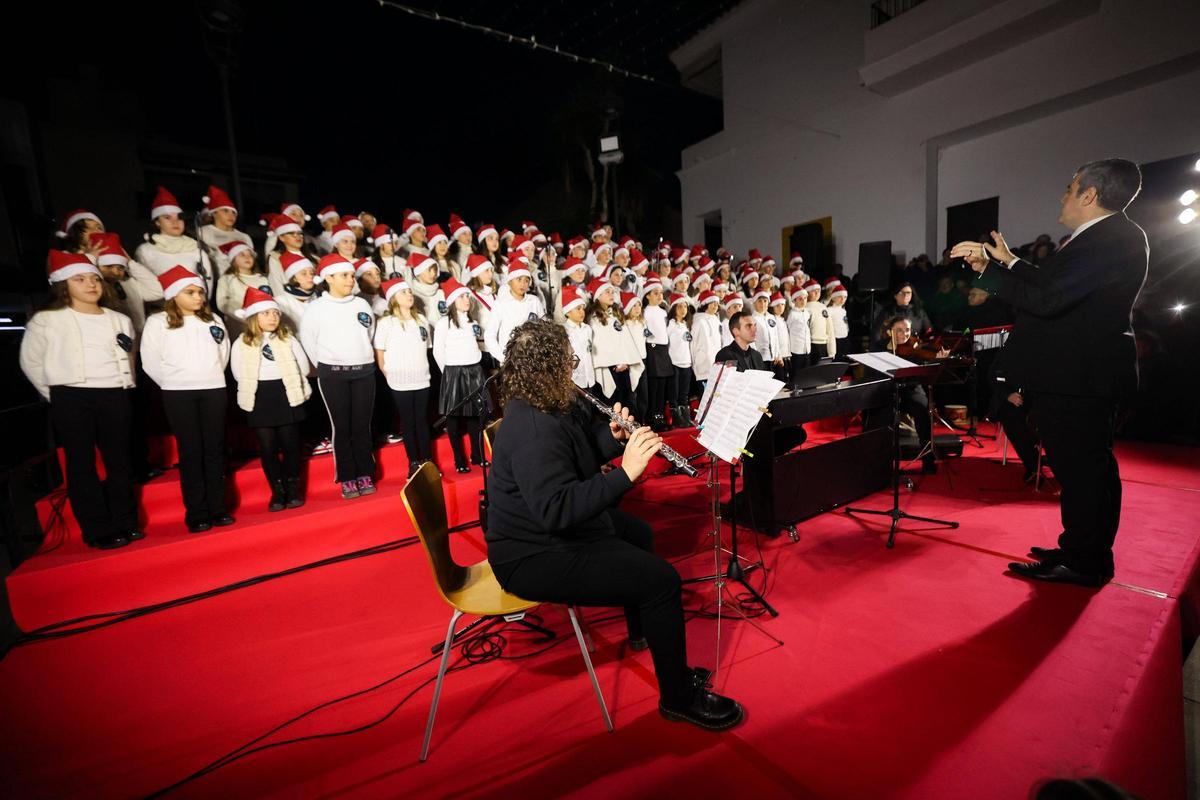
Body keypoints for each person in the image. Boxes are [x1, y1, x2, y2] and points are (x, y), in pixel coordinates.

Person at [485, 318, 744, 731]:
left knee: (639, 533)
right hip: (530, 554)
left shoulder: (546, 404)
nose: (573, 367)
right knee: (662, 582)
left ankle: (647, 634)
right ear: (552, 368)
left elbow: (574, 461)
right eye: (567, 361)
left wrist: (612, 437)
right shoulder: (534, 428)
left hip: (550, 533)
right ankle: (677, 698)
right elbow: (558, 509)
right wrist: (625, 473)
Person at [952, 158, 1148, 587]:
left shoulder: (1109, 240)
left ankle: (1085, 561)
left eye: (1070, 187)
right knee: (1079, 468)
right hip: (1077, 374)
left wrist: (989, 272)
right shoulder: (1107, 237)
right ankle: (1079, 547)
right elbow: (1058, 284)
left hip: (1083, 376)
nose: (1063, 195)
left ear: (1090, 195)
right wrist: (1011, 263)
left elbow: (1049, 300)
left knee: (1084, 471)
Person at [20, 251, 140, 550]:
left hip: (114, 393)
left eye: (94, 279)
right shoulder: (47, 320)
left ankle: (125, 521)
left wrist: (124, 384)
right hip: (71, 395)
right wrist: (58, 395)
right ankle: (97, 528)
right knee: (81, 464)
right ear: (63, 284)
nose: (90, 284)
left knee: (120, 460)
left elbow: (129, 357)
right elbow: (31, 362)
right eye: (80, 278)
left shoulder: (119, 319)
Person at [140, 265, 233, 532]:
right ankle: (197, 512)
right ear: (173, 295)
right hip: (178, 393)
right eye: (190, 292)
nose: (199, 297)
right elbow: (150, 361)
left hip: (213, 389)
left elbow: (222, 354)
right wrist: (174, 383)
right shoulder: (158, 322)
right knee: (191, 452)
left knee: (215, 450)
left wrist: (210, 377)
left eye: (201, 292)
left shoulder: (213, 321)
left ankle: (218, 508)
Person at [300, 254, 378, 500]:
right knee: (341, 427)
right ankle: (346, 476)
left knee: (362, 426)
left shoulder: (362, 305)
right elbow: (308, 341)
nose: (350, 279)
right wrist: (328, 365)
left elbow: (370, 333)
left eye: (351, 275)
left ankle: (365, 472)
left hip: (364, 372)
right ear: (328, 278)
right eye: (344, 275)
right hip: (333, 374)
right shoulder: (316, 308)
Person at [230, 288, 310, 512]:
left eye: (275, 313)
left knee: (291, 445)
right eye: (266, 314)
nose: (273, 317)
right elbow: (238, 373)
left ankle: (293, 488)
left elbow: (303, 367)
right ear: (254, 317)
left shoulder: (288, 339)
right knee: (268, 448)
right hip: (260, 397)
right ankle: (277, 490)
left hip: (285, 393)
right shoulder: (241, 343)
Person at [374, 277, 436, 479]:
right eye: (404, 292)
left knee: (422, 421)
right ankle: (414, 462)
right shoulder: (386, 323)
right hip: (399, 381)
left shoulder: (422, 321)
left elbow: (426, 349)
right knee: (408, 423)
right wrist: (388, 374)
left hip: (422, 379)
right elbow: (380, 352)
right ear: (393, 298)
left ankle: (428, 460)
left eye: (410, 292)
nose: (409, 295)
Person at [433, 278, 490, 473]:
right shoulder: (444, 323)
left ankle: (478, 455)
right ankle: (459, 459)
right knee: (454, 418)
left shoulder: (473, 321)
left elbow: (479, 343)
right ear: (452, 301)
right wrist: (448, 374)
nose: (467, 299)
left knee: (477, 416)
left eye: (467, 295)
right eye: (462, 296)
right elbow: (437, 351)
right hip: (454, 372)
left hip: (474, 370)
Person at [134, 187, 216, 296]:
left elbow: (208, 281)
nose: (175, 222)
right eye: (167, 217)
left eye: (179, 218)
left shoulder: (195, 248)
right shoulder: (146, 250)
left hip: (195, 305)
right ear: (157, 222)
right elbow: (144, 283)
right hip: (162, 308)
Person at [215, 241, 272, 339]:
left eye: (250, 255)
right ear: (233, 259)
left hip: (263, 324)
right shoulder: (227, 279)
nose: (247, 257)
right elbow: (222, 302)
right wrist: (243, 315)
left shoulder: (263, 279)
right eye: (242, 255)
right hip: (239, 326)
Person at [197, 185, 253, 278]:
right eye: (225, 211)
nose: (231, 216)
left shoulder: (244, 237)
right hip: (215, 281)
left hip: (241, 280)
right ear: (214, 213)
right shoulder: (203, 232)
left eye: (234, 212)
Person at [640, 279, 672, 430]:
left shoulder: (663, 312)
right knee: (654, 385)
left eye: (661, 293)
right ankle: (652, 416)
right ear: (647, 295)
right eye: (656, 293)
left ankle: (659, 415)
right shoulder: (645, 312)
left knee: (662, 386)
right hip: (652, 349)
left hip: (663, 350)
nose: (660, 296)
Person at [560, 285, 597, 395]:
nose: (582, 312)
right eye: (578, 309)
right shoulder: (564, 331)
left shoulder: (587, 329)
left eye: (583, 308)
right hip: (575, 381)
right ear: (567, 312)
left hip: (589, 379)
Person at [665, 292, 695, 428]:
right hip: (674, 363)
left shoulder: (686, 324)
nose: (683, 310)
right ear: (674, 309)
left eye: (685, 307)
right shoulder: (670, 324)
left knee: (684, 393)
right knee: (674, 393)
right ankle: (676, 418)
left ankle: (685, 417)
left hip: (686, 363)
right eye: (680, 307)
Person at [689, 291, 722, 395]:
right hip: (703, 367)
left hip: (717, 366)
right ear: (705, 304)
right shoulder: (699, 322)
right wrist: (696, 363)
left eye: (717, 303)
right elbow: (693, 345)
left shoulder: (717, 320)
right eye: (712, 303)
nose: (715, 306)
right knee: (705, 399)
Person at [785, 286, 811, 383]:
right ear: (794, 300)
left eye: (805, 298)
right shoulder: (792, 314)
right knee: (796, 373)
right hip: (796, 350)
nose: (803, 301)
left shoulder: (807, 313)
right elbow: (788, 330)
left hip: (807, 349)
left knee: (806, 373)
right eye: (800, 299)